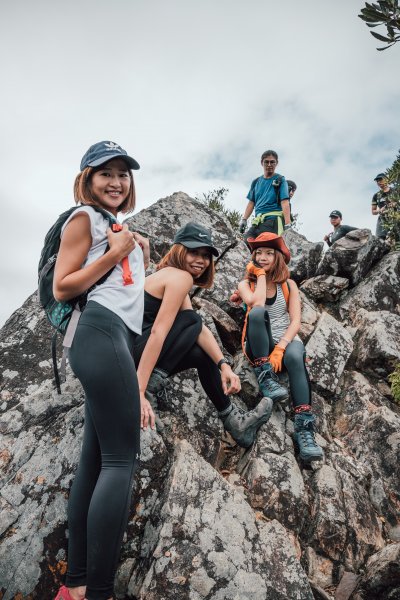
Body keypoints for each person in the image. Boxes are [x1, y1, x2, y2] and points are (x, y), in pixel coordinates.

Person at [53, 141, 150, 600]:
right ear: (87, 179)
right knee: (120, 459)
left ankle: (74, 586)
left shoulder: (118, 228)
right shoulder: (83, 219)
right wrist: (116, 253)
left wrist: (133, 249)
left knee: (94, 464)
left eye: (123, 174)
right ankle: (100, 592)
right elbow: (62, 286)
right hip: (99, 333)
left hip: (113, 341)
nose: (116, 182)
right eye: (105, 173)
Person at [132, 221, 273, 449]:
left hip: (134, 352)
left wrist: (224, 365)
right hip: (134, 356)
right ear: (178, 250)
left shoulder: (174, 277)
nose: (201, 260)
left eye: (206, 255)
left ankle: (235, 422)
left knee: (200, 352)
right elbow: (159, 332)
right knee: (193, 319)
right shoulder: (179, 278)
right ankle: (148, 390)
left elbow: (196, 329)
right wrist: (139, 389)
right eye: (193, 252)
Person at [235, 232, 323, 463]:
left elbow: (295, 321)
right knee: (257, 312)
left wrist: (281, 348)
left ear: (278, 258)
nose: (263, 257)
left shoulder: (289, 285)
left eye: (269, 254)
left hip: (284, 338)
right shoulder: (245, 283)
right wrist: (261, 275)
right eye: (259, 253)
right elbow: (257, 303)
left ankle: (305, 430)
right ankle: (265, 376)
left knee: (296, 356)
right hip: (258, 341)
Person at [239, 150, 291, 245]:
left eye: (272, 162)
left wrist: (288, 224)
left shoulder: (280, 180)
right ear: (261, 163)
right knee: (246, 244)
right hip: (257, 222)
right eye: (266, 162)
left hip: (273, 221)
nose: (269, 164)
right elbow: (251, 202)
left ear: (276, 163)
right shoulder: (256, 182)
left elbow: (285, 202)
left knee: (264, 247)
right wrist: (244, 219)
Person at [372, 172, 393, 239]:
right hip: (382, 220)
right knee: (379, 239)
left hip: (395, 217)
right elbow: (373, 211)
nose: (378, 182)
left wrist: (395, 203)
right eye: (377, 181)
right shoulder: (376, 195)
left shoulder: (395, 190)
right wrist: (379, 210)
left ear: (386, 179)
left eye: (380, 180)